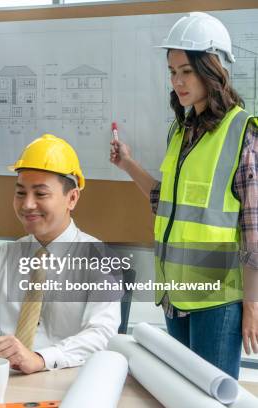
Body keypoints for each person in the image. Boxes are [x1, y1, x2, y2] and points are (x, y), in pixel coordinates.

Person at [110, 12, 258, 378]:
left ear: (214, 68)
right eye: (172, 71)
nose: (177, 81)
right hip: (175, 294)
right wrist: (128, 165)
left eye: (186, 71)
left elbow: (254, 229)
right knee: (181, 396)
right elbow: (167, 202)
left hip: (218, 301)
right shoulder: (182, 131)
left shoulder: (242, 133)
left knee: (210, 399)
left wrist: (253, 304)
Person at [0, 134, 121, 374]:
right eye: (20, 193)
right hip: (10, 381)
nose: (27, 205)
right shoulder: (5, 257)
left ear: (72, 198)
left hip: (69, 382)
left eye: (40, 194)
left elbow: (101, 336)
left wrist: (40, 358)